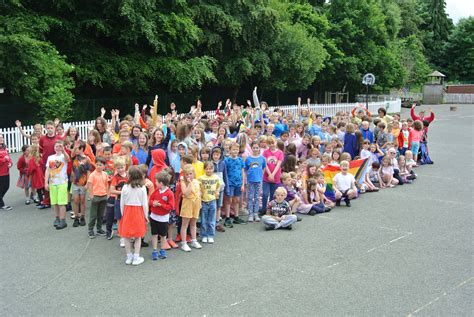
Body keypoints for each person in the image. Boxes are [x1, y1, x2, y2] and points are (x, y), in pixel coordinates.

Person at [119, 166, 149, 266]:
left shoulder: (124, 187)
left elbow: (122, 203)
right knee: (138, 236)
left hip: (127, 212)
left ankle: (129, 257)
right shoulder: (142, 188)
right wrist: (146, 215)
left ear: (130, 175)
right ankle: (136, 256)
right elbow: (144, 204)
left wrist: (123, 214)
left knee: (126, 236)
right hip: (138, 212)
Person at [149, 171, 175, 260]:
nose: (155, 183)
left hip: (163, 218)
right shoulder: (156, 190)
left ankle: (162, 250)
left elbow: (171, 206)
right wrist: (153, 203)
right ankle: (155, 250)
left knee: (163, 235)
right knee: (154, 234)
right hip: (153, 217)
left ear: (160, 183)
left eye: (156, 181)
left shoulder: (169, 193)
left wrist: (161, 205)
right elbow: (150, 200)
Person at [45, 140, 70, 229]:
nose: (58, 148)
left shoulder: (64, 156)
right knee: (55, 203)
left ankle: (63, 220)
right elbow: (48, 170)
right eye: (56, 146)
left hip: (62, 182)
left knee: (61, 203)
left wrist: (64, 150)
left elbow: (68, 159)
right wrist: (46, 182)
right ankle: (57, 218)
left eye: (60, 146)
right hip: (52, 183)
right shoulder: (50, 157)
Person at [179, 164, 202, 252]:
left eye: (190, 174)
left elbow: (199, 192)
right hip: (188, 203)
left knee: (193, 223)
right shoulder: (183, 182)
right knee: (185, 224)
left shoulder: (196, 181)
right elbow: (185, 193)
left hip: (196, 203)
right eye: (187, 174)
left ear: (194, 173)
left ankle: (194, 240)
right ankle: (184, 243)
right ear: (184, 175)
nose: (189, 176)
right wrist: (189, 184)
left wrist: (199, 202)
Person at [71, 141, 93, 227]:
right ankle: (76, 217)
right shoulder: (74, 157)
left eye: (78, 148)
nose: (76, 150)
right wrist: (75, 147)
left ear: (82, 149)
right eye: (76, 148)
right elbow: (72, 152)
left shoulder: (87, 159)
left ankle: (82, 217)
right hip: (75, 182)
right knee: (76, 200)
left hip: (83, 182)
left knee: (82, 200)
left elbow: (88, 171)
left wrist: (88, 182)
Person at [223, 143, 246, 227]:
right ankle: (227, 217)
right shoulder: (226, 160)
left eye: (237, 149)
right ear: (229, 150)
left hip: (238, 183)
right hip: (229, 183)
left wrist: (243, 184)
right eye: (233, 149)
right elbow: (224, 172)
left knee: (236, 200)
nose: (235, 151)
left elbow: (242, 172)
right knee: (228, 200)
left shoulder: (240, 160)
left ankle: (236, 216)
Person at [86, 157, 109, 238]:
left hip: (103, 196)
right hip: (95, 196)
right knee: (93, 214)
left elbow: (106, 184)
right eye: (97, 164)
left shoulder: (105, 174)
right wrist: (91, 194)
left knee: (101, 214)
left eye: (101, 165)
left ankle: (99, 229)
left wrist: (107, 194)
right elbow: (90, 185)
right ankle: (90, 229)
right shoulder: (92, 175)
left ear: (104, 166)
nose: (98, 166)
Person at [198, 161, 220, 243]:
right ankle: (204, 235)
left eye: (210, 169)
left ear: (213, 169)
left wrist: (217, 191)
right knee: (203, 220)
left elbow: (219, 185)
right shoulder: (201, 178)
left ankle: (210, 235)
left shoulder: (216, 177)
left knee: (211, 219)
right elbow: (198, 187)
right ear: (204, 169)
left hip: (212, 200)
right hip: (204, 200)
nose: (209, 170)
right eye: (207, 169)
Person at [261, 136, 283, 216]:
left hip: (276, 177)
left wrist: (273, 174)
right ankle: (263, 209)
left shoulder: (280, 153)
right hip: (266, 177)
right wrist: (269, 174)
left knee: (273, 195)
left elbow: (278, 164)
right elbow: (265, 164)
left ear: (276, 142)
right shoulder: (265, 152)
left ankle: (271, 210)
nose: (271, 145)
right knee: (265, 194)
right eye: (269, 144)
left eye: (273, 143)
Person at [107, 158, 128, 243]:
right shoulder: (115, 178)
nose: (120, 169)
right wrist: (122, 192)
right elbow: (112, 190)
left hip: (128, 201)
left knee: (127, 218)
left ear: (125, 166)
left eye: (121, 167)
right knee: (119, 218)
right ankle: (122, 236)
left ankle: (128, 234)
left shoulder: (129, 175)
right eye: (118, 168)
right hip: (119, 200)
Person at [245, 141, 266, 222]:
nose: (255, 149)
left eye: (257, 148)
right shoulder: (248, 158)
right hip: (250, 180)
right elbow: (246, 169)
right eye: (254, 147)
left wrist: (261, 175)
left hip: (259, 180)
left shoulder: (262, 158)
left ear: (259, 149)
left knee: (257, 197)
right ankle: (250, 214)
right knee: (250, 197)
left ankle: (256, 213)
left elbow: (264, 167)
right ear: (251, 148)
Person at [0, 134, 13, 210]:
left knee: (6, 187)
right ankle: (2, 204)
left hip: (6, 171)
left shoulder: (4, 148)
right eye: (0, 138)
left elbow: (9, 157)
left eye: (2, 137)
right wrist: (4, 159)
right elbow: (4, 158)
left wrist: (10, 163)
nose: (1, 139)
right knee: (1, 188)